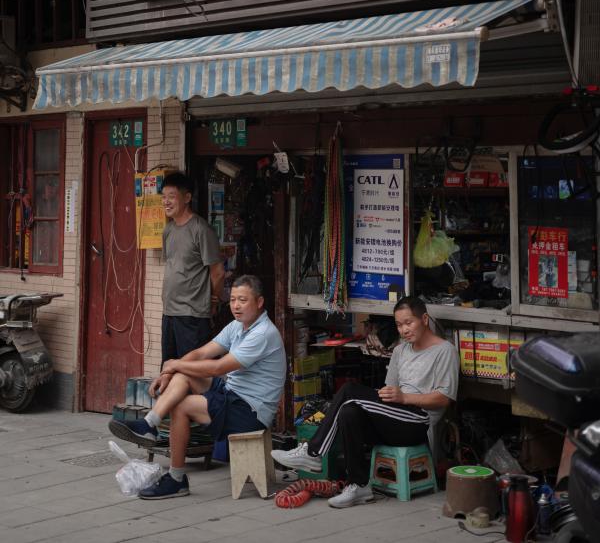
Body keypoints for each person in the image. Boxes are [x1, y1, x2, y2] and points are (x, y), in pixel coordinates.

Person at [271, 296, 459, 509]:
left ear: (424, 319)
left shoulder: (445, 350)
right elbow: (387, 394)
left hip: (419, 422)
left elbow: (444, 399)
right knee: (349, 411)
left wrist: (405, 397)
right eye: (399, 325)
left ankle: (313, 452)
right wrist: (388, 396)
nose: (404, 329)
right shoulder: (400, 351)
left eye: (409, 323)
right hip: (395, 418)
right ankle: (358, 485)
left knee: (350, 391)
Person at [109, 274, 286, 499]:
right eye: (232, 300)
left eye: (242, 300)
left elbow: (217, 367)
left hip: (250, 412)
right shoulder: (238, 326)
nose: (236, 306)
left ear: (259, 302)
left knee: (181, 406)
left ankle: (176, 478)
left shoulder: (262, 333)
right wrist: (170, 370)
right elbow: (202, 353)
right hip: (231, 394)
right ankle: (149, 424)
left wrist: (174, 363)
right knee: (183, 373)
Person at [159, 172, 225, 363]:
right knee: (169, 368)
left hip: (192, 315)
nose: (166, 202)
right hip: (169, 313)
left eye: (172, 196)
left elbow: (218, 272)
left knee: (193, 371)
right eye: (163, 196)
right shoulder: (168, 230)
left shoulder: (201, 229)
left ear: (187, 197)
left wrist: (213, 301)